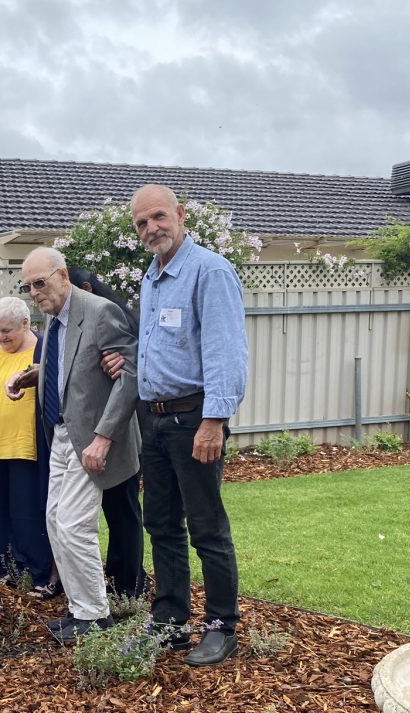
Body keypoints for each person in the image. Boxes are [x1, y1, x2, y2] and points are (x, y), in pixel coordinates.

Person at [104, 184, 248, 667]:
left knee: (206, 525)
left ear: (181, 215)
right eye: (141, 223)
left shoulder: (209, 271)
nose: (151, 229)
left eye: (158, 217)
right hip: (155, 420)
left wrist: (214, 422)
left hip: (194, 419)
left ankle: (221, 625)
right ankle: (171, 620)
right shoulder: (152, 276)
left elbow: (227, 353)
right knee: (160, 522)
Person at [5, 247, 139, 643]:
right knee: (53, 521)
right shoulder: (54, 320)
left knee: (74, 525)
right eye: (27, 286)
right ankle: (79, 609)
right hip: (60, 434)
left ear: (62, 275)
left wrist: (103, 438)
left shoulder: (99, 312)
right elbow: (68, 369)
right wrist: (33, 376)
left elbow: (130, 375)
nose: (33, 292)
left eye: (39, 283)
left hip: (92, 437)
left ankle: (96, 616)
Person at [67, 267, 148, 601]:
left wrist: (126, 361)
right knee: (117, 509)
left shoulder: (108, 318)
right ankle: (121, 580)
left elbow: (131, 372)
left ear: (86, 289)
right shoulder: (81, 326)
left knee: (123, 509)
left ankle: (128, 584)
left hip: (121, 430)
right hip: (95, 429)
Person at [0, 296, 54, 590]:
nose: (1, 337)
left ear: (26, 323)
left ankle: (36, 571)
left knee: (26, 511)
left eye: (7, 331)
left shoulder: (43, 349)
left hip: (25, 448)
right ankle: (5, 566)